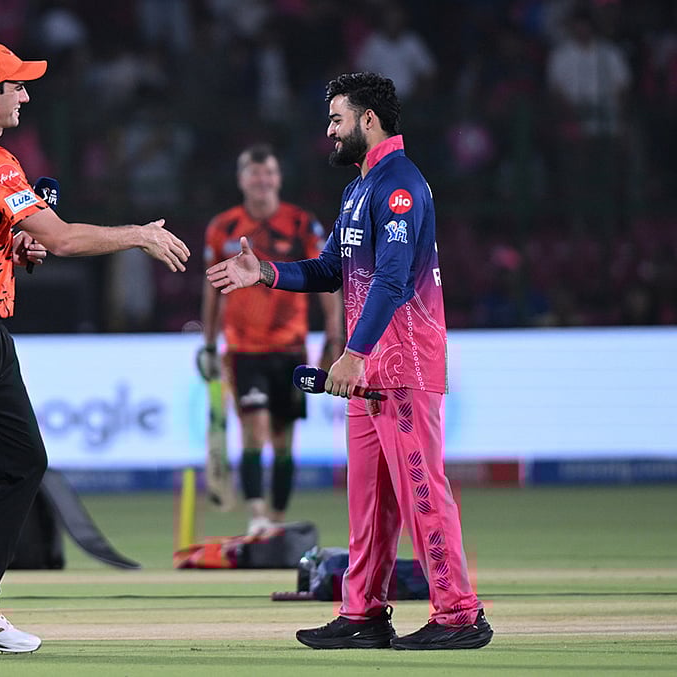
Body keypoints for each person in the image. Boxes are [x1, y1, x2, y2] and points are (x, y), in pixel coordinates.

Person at [0, 42, 190, 658]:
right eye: (16, 86)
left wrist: (10, 247)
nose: (25, 94)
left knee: (22, 464)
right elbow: (65, 239)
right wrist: (139, 235)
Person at [206, 72, 493, 650]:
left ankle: (460, 615)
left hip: (401, 365)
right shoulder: (360, 189)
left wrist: (353, 352)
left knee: (422, 495)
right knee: (370, 502)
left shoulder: (400, 186)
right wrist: (266, 273)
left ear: (368, 120)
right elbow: (329, 269)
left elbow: (390, 278)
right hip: (366, 373)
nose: (329, 130)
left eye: (337, 119)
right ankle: (362, 612)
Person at [197, 143, 342, 535]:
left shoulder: (301, 223)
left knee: (283, 439)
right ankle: (257, 516)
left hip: (291, 347)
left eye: (269, 173)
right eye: (255, 174)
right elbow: (212, 288)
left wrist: (334, 336)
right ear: (242, 179)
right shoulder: (223, 227)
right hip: (244, 349)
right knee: (254, 429)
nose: (263, 181)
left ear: (278, 178)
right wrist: (209, 343)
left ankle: (275, 522)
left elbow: (328, 279)